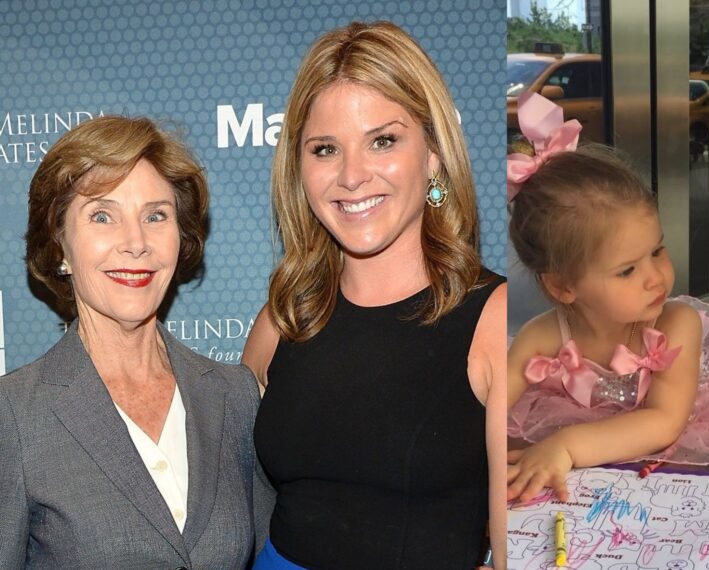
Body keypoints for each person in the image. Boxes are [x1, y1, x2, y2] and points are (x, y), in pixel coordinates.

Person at [241, 21, 507, 569]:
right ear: (300, 168)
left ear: (433, 154)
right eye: (325, 149)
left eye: (383, 140)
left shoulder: (495, 320)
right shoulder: (284, 319)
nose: (352, 175)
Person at [0, 116, 271, 568]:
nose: (136, 242)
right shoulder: (14, 415)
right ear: (60, 243)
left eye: (155, 215)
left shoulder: (234, 395)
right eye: (102, 215)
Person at [505, 92, 709, 503]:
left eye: (657, 251)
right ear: (563, 286)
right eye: (628, 270)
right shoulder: (541, 338)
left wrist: (566, 446)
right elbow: (486, 402)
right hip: (590, 469)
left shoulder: (674, 324)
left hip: (669, 455)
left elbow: (664, 423)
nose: (655, 277)